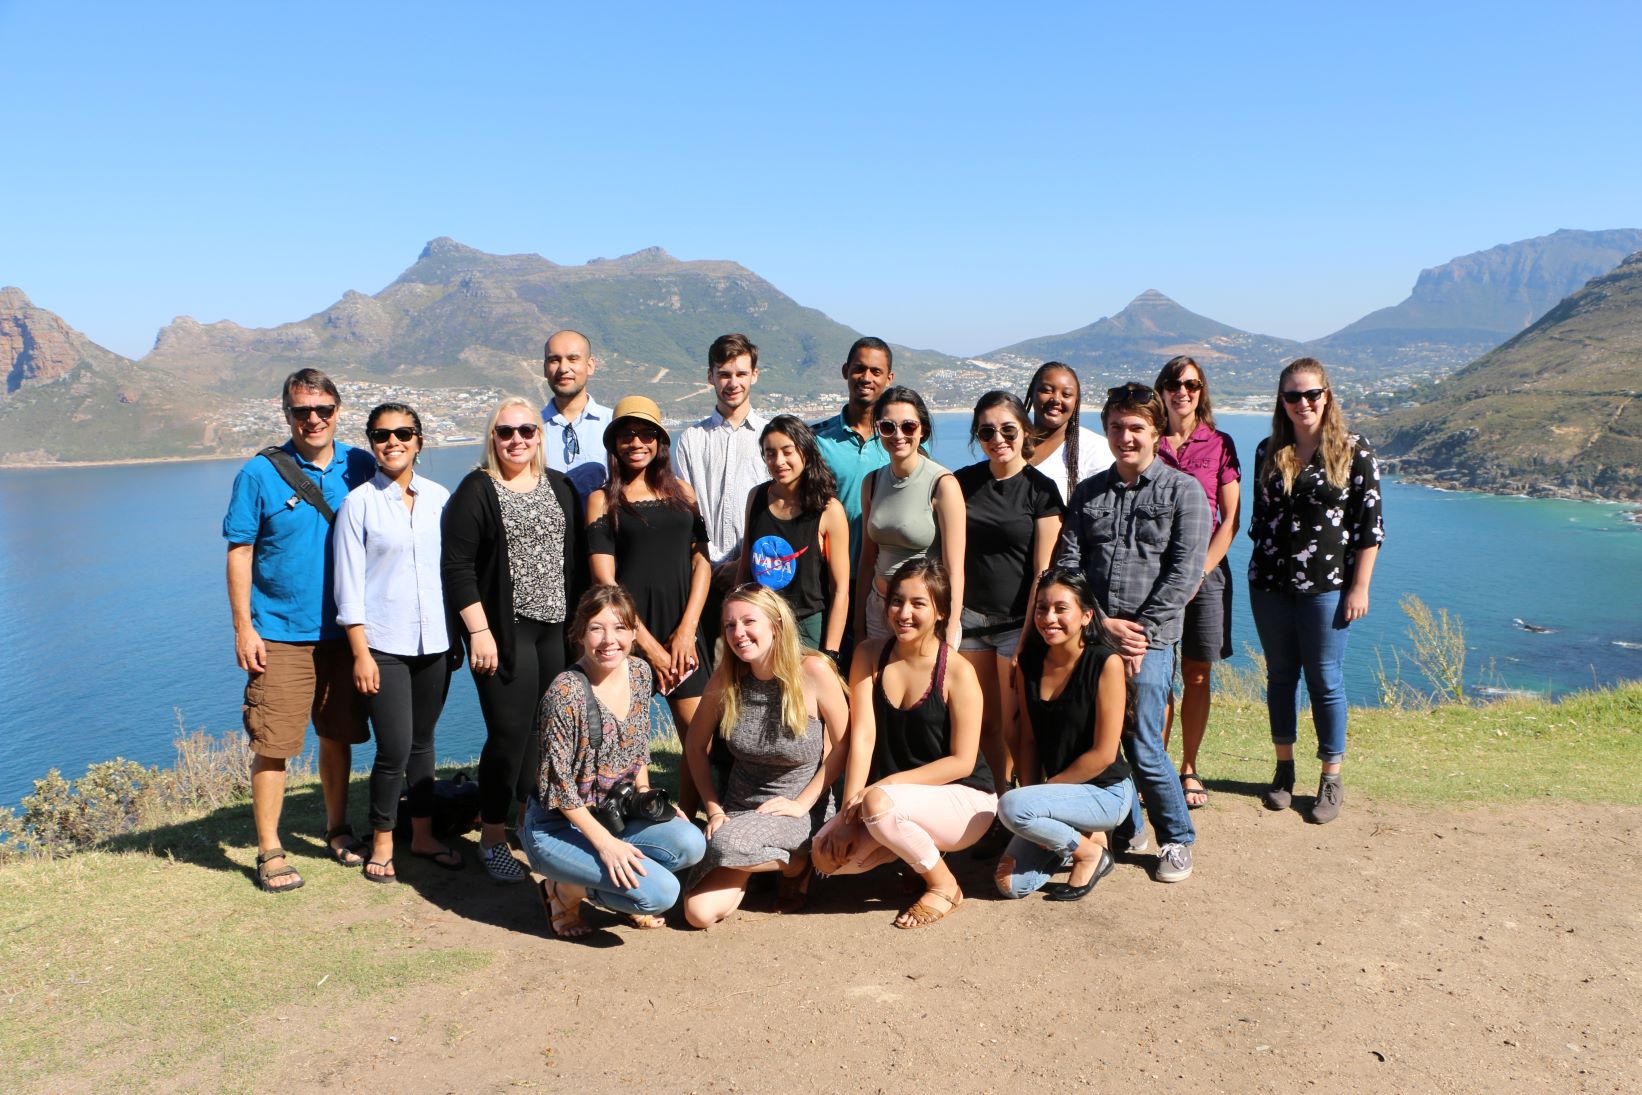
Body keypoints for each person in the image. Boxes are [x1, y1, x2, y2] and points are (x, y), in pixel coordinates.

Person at [224, 368, 376, 893]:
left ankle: (338, 829)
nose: (313, 419)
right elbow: (239, 551)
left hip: (344, 632)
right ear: (285, 413)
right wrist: (244, 628)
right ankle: (269, 849)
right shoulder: (258, 474)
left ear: (338, 411)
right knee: (275, 743)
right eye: (301, 411)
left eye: (323, 410)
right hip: (281, 633)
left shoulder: (359, 464)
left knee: (337, 736)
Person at [1054, 382, 1210, 883]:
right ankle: (1128, 825)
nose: (1126, 436)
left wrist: (1136, 634)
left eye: (1137, 427)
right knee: (1099, 738)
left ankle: (1177, 839)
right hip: (1096, 637)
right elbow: (1068, 562)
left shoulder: (1183, 492)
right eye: (1117, 427)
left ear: (1156, 432)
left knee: (1143, 742)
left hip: (1152, 641)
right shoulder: (1089, 493)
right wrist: (1100, 624)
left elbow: (1185, 572)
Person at [443, 397, 587, 882]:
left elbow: (578, 559)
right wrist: (479, 631)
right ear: (492, 437)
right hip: (505, 632)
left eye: (526, 430)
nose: (517, 440)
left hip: (556, 631)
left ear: (539, 437)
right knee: (507, 735)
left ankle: (529, 821)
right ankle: (491, 837)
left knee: (543, 733)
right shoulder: (477, 489)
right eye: (506, 432)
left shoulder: (560, 486)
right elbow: (457, 567)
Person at [811, 560, 996, 929]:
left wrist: (883, 787)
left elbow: (961, 761)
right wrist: (849, 814)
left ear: (940, 611)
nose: (904, 613)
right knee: (823, 856)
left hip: (965, 799)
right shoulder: (868, 654)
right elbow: (863, 736)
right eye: (896, 601)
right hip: (891, 803)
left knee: (879, 804)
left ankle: (944, 886)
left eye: (918, 604)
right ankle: (910, 853)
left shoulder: (958, 671)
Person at [521, 585, 707, 938]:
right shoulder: (565, 694)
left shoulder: (639, 673)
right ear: (579, 634)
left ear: (634, 634)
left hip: (614, 812)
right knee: (661, 894)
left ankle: (621, 884)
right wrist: (606, 846)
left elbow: (637, 750)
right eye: (597, 628)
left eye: (620, 628)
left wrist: (648, 799)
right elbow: (559, 791)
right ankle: (562, 892)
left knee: (690, 843)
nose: (609, 640)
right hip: (558, 826)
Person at [1248, 358, 1384, 824]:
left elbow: (1370, 527)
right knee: (1281, 676)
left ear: (1327, 395)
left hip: (1326, 588)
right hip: (1269, 585)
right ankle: (1284, 771)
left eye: (1311, 394)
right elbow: (1259, 522)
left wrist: (1359, 587)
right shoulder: (1268, 450)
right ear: (1281, 401)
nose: (1303, 403)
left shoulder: (1354, 451)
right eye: (1292, 396)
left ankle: (1330, 776)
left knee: (1325, 680)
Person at [333, 403, 461, 881]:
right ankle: (383, 840)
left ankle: (424, 835)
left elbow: (453, 571)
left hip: (435, 643)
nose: (393, 442)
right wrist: (360, 653)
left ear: (419, 441)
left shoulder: (440, 498)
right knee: (394, 747)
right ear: (371, 442)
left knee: (424, 743)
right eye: (382, 434)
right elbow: (348, 586)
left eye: (403, 433)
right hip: (383, 644)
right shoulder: (358, 504)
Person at [681, 586, 850, 928]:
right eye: (729, 625)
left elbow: (847, 743)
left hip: (798, 808)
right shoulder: (726, 676)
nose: (738, 633)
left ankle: (797, 864)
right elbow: (695, 747)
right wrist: (713, 808)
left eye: (748, 621)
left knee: (724, 844)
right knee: (697, 914)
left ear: (775, 624)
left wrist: (803, 803)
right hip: (738, 809)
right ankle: (760, 862)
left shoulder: (814, 671)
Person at [586, 395, 713, 799]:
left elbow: (702, 562)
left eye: (646, 434)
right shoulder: (602, 500)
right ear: (614, 444)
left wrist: (688, 630)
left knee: (698, 740)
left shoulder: (685, 493)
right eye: (626, 435)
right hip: (628, 636)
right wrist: (652, 647)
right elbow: (606, 583)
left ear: (660, 442)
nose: (636, 443)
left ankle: (693, 821)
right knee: (628, 742)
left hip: (685, 632)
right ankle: (637, 817)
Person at [994, 568, 1135, 901]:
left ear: (1086, 615)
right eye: (1042, 608)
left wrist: (1041, 797)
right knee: (1010, 885)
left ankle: (1089, 854)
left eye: (1061, 608)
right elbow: (1028, 740)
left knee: (1012, 807)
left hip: (1105, 792)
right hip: (1056, 794)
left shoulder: (1105, 662)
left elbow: (1103, 754)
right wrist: (1036, 798)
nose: (1048, 618)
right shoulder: (1030, 660)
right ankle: (1080, 840)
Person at [953, 391, 1063, 795]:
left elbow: (1043, 570)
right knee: (983, 721)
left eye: (1007, 429)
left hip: (1016, 623)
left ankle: (1025, 801)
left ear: (1025, 432)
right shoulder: (962, 483)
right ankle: (996, 798)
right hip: (969, 620)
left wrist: (1026, 635)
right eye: (986, 431)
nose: (997, 438)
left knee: (1016, 722)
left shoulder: (1041, 490)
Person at [1154, 356, 1241, 809]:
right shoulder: (1150, 441)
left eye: (1190, 383)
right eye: (1173, 383)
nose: (1181, 391)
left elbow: (1229, 521)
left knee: (1197, 674)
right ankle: (1158, 767)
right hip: (1154, 574)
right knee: (1155, 675)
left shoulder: (1220, 444)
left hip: (1206, 576)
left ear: (1201, 390)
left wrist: (1200, 572)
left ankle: (1189, 767)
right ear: (1162, 390)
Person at [854, 386, 966, 649]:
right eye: (888, 427)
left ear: (922, 430)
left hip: (925, 614)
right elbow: (867, 559)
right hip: (879, 609)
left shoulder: (943, 484)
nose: (898, 435)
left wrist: (949, 626)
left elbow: (955, 568)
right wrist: (859, 623)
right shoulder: (871, 482)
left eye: (908, 426)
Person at [736, 415, 851, 657]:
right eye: (770, 453)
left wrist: (831, 650)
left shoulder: (828, 509)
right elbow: (746, 565)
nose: (779, 461)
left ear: (805, 452)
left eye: (787, 451)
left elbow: (840, 589)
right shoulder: (756, 497)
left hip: (806, 626)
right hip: (760, 622)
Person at [673, 332, 769, 571]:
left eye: (741, 374)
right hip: (702, 569)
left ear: (754, 375)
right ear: (711, 377)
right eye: (724, 374)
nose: (733, 383)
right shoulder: (691, 439)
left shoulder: (771, 437)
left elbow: (779, 507)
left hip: (758, 569)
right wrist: (710, 563)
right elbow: (685, 511)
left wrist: (741, 564)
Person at [812, 336, 895, 573]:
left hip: (886, 576)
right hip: (828, 573)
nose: (866, 378)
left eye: (876, 371)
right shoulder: (817, 440)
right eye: (859, 369)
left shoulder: (907, 439)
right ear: (846, 371)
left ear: (889, 378)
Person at [1024, 361, 1112, 505]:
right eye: (1047, 390)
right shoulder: (1007, 444)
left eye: (1066, 394)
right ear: (1032, 393)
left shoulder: (1095, 449)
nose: (1056, 399)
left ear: (1076, 402)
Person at [540, 329, 613, 499]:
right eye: (554, 360)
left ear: (590, 366)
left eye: (573, 359)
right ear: (545, 369)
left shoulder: (614, 424)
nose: (564, 368)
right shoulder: (527, 433)